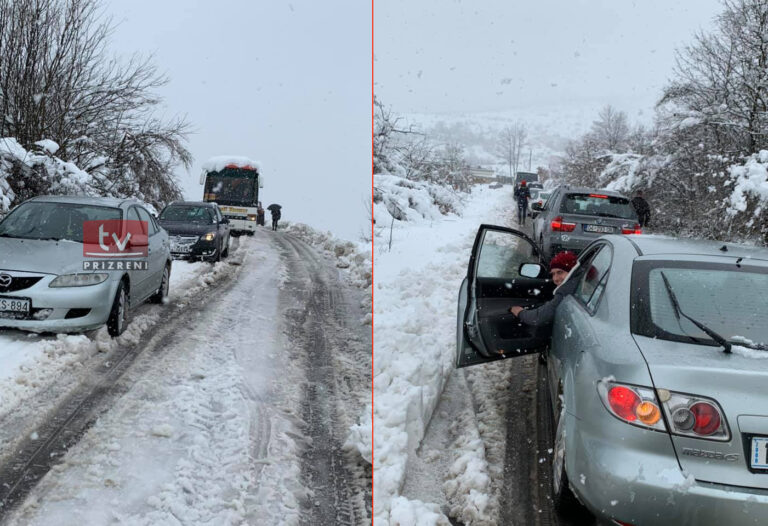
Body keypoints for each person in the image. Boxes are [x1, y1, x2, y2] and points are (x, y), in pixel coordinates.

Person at [509, 250, 578, 327]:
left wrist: (520, 312)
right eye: (553, 274)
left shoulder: (566, 289)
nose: (555, 279)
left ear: (572, 271)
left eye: (560, 272)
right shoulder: (577, 284)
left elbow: (537, 318)